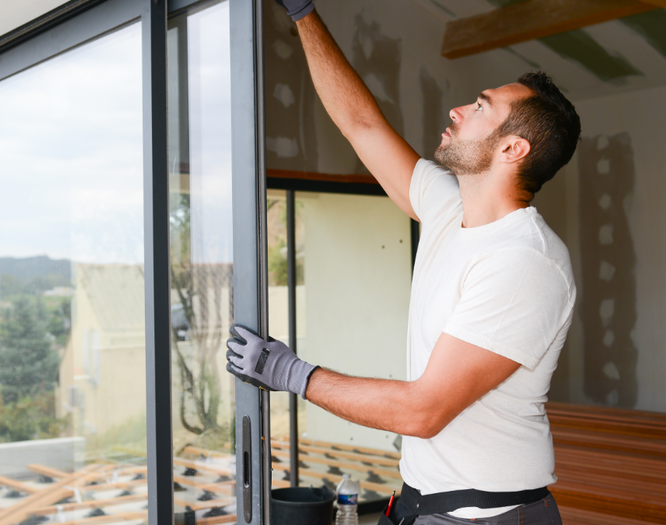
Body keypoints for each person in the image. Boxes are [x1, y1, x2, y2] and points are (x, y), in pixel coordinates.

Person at [226, 1, 581, 523]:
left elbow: (424, 410)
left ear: (512, 149)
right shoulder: (447, 208)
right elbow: (361, 123)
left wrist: (292, 373)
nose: (459, 110)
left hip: (486, 517)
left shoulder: (525, 262)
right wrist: (303, 12)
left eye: (481, 107)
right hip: (423, 503)